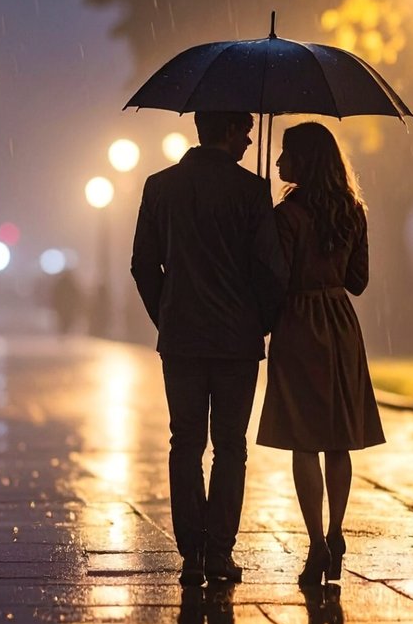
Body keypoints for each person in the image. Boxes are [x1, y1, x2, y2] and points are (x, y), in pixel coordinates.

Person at [132, 111, 286, 587]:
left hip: (182, 338)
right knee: (230, 448)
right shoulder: (253, 192)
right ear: (226, 130)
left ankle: (191, 552)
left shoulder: (160, 186)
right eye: (244, 130)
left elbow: (142, 265)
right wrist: (259, 320)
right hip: (237, 340)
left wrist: (169, 314)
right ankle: (219, 551)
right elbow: (270, 270)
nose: (249, 139)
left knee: (185, 443)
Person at [255, 122, 382, 586]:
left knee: (303, 440)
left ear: (304, 160)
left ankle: (316, 543)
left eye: (286, 152)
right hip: (340, 324)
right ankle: (337, 528)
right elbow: (359, 281)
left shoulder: (286, 216)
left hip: (299, 325)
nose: (278, 160)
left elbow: (277, 278)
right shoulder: (352, 211)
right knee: (337, 437)